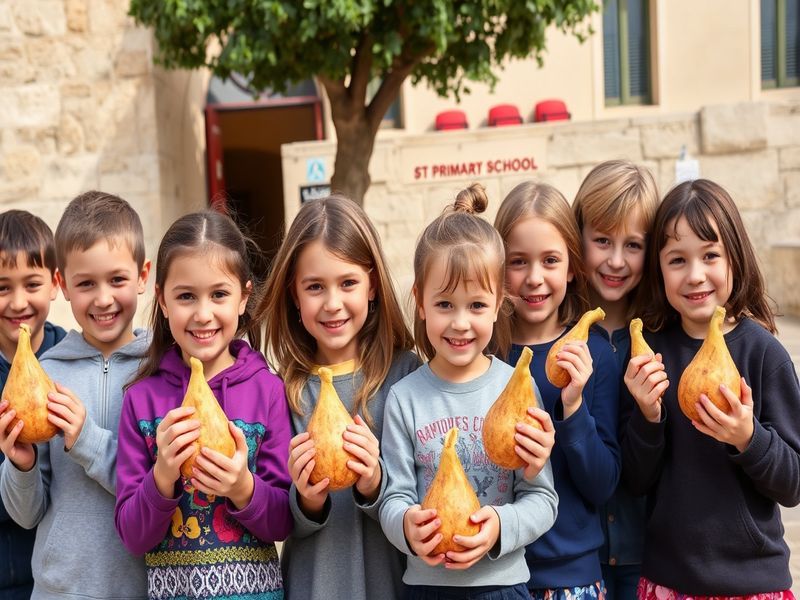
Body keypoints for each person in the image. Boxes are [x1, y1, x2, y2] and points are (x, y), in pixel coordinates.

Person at [380, 183, 558, 600]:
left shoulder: (516, 387)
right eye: (444, 305)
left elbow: (542, 498)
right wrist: (406, 525)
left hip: (503, 585)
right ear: (420, 303)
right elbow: (394, 496)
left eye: (476, 306)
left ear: (499, 305)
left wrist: (499, 526)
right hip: (427, 588)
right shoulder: (404, 397)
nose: (460, 323)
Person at [622, 179, 800, 597]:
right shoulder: (651, 355)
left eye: (710, 256)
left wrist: (748, 438)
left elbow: (794, 483)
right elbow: (635, 480)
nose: (695, 274)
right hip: (668, 581)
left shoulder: (764, 354)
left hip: (752, 583)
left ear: (734, 258)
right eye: (677, 260)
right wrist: (648, 417)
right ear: (658, 270)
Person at [114, 210, 292, 600]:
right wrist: (162, 475)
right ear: (161, 300)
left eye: (219, 294)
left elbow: (283, 520)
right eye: (185, 296)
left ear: (244, 297)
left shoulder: (267, 391)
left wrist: (243, 487)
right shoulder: (142, 400)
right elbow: (131, 535)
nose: (203, 313)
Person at [257, 194, 419, 600]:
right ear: (294, 295)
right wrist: (307, 499)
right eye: (315, 287)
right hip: (315, 586)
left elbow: (424, 490)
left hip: (393, 584)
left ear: (373, 286)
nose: (332, 303)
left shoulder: (407, 376)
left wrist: (374, 482)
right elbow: (279, 514)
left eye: (348, 283)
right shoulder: (282, 391)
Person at [0, 191, 151, 599]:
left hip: (141, 589)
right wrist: (22, 466)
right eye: (86, 284)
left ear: (142, 275)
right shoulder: (46, 375)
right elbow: (27, 516)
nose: (103, 299)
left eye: (117, 280)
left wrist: (87, 441)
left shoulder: (161, 373)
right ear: (63, 285)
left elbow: (159, 490)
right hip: (59, 592)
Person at [494, 181, 620, 598]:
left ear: (571, 268)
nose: (534, 278)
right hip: (491, 573)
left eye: (550, 260)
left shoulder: (594, 353)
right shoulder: (481, 353)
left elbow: (603, 485)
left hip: (571, 578)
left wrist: (574, 405)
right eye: (518, 261)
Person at [572, 161, 660, 599]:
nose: (616, 260)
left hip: (649, 555)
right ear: (578, 236)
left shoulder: (663, 334)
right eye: (602, 240)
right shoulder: (559, 334)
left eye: (633, 245)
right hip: (574, 561)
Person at [0, 210, 67, 600]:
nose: (18, 302)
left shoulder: (71, 359)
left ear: (55, 284)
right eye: (3, 287)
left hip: (58, 579)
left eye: (32, 284)